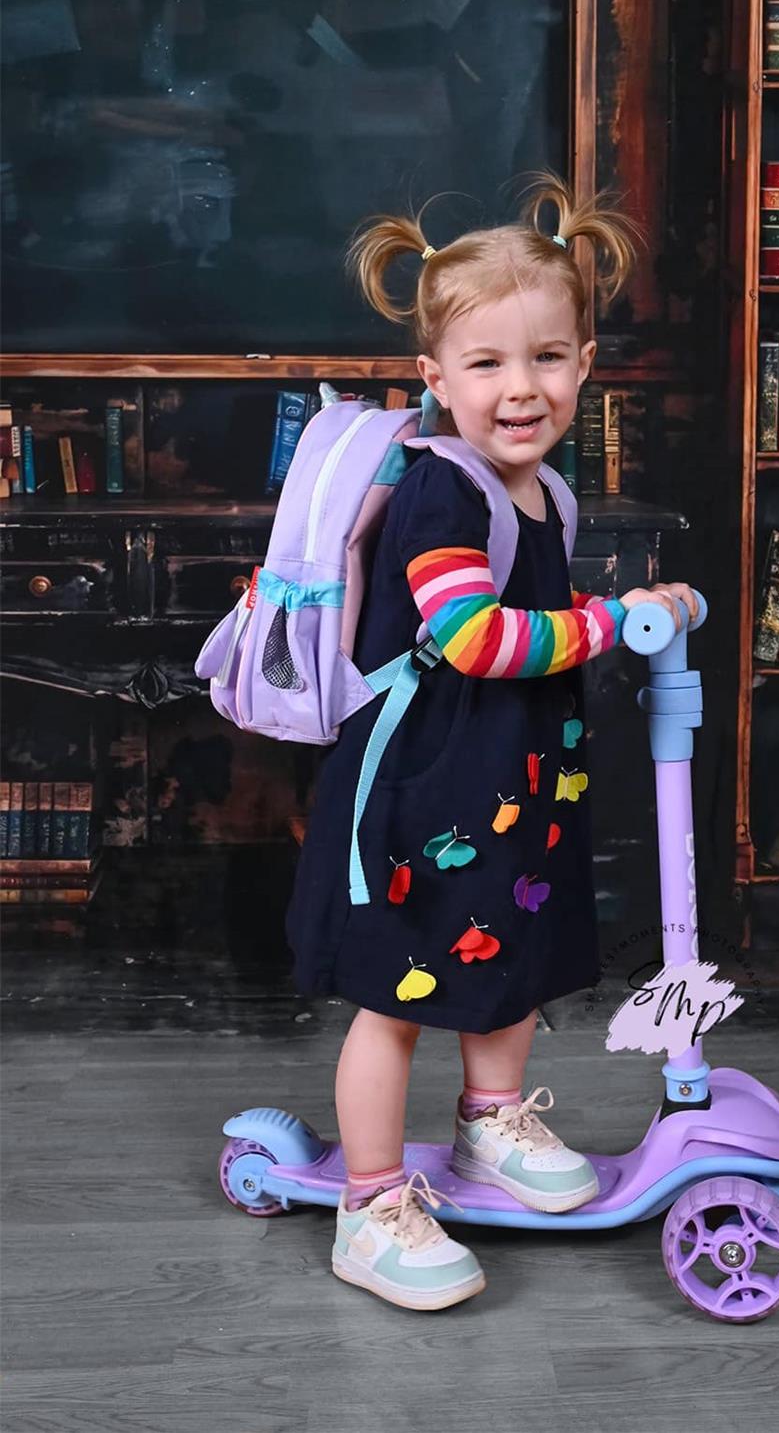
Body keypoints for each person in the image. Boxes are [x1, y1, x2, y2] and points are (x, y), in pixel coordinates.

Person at [285, 170, 700, 1311]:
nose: (521, 388)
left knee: (506, 954)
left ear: (586, 365)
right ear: (434, 380)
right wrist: (614, 621)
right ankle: (370, 1205)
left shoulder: (543, 494)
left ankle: (490, 1125)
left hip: (508, 786)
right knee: (398, 990)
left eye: (548, 357)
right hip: (419, 789)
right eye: (486, 364)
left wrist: (632, 606)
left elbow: (540, 626)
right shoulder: (442, 492)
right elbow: (469, 634)